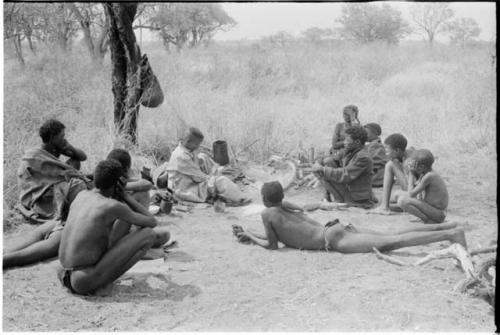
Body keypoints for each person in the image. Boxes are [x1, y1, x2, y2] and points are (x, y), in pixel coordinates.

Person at [234, 181, 467, 253]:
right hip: (335, 227)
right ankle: (448, 228)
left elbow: (272, 245)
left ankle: (451, 233)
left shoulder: (267, 214)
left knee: (393, 242)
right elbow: (284, 226)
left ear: (264, 200)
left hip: (334, 240)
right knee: (393, 234)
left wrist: (250, 236)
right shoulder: (286, 206)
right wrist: (250, 233)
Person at [57, 159, 170, 295]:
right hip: (83, 280)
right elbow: (152, 222)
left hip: (63, 272)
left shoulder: (81, 195)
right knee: (148, 235)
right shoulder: (111, 206)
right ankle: (105, 282)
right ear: (118, 184)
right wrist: (125, 196)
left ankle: (101, 277)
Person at [16, 119, 90, 223]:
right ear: (52, 137)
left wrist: (70, 147)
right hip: (40, 192)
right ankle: (66, 209)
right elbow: (33, 181)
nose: (64, 139)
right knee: (79, 185)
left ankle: (68, 202)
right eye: (62, 136)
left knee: (75, 161)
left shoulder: (57, 147)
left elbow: (82, 157)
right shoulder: (35, 155)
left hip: (52, 182)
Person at [152, 127, 251, 205]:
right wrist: (213, 178)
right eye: (197, 144)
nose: (198, 146)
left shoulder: (186, 149)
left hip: (191, 179)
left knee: (202, 157)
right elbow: (199, 178)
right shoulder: (181, 157)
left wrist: (206, 165)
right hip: (184, 190)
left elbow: (196, 165)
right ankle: (242, 198)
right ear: (188, 142)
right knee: (221, 181)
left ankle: (223, 175)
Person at [309, 125, 376, 208]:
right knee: (328, 162)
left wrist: (322, 169)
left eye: (347, 140)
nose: (344, 142)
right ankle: (337, 199)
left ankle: (341, 200)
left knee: (322, 171)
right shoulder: (350, 150)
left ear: (357, 142)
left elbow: (345, 174)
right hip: (350, 190)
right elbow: (332, 158)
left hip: (358, 197)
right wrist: (319, 161)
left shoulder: (363, 157)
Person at [396, 149, 448, 223]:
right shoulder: (425, 174)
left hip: (438, 214)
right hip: (431, 209)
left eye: (414, 164)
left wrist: (411, 173)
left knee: (402, 201)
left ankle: (427, 220)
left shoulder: (429, 176)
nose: (412, 166)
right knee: (397, 194)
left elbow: (411, 194)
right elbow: (418, 196)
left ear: (421, 167)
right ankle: (425, 218)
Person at [369, 133, 415, 215]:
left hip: (417, 196)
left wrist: (396, 165)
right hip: (414, 194)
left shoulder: (409, 161)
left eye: (387, 150)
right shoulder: (404, 155)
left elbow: (412, 189)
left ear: (397, 150)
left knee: (390, 164)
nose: (386, 153)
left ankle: (384, 207)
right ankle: (384, 205)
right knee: (387, 200)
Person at [363, 123, 388, 187]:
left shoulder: (376, 145)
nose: (365, 135)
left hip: (377, 177)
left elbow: (376, 161)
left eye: (367, 133)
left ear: (375, 133)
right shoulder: (372, 144)